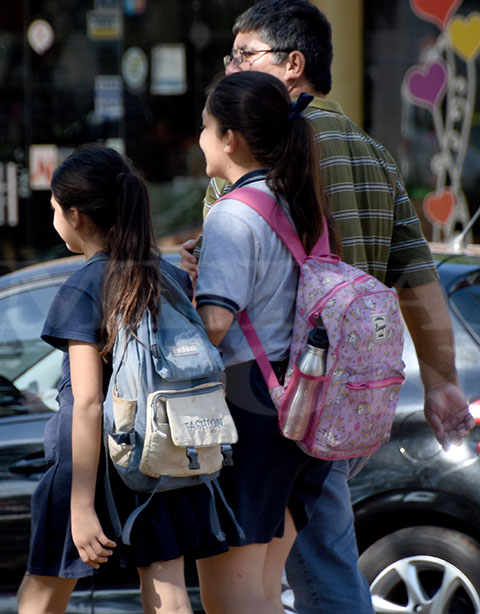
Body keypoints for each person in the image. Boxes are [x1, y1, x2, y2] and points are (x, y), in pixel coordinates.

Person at [180, 2, 474, 612]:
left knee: (299, 576)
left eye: (243, 56)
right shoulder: (372, 152)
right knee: (311, 566)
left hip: (280, 398)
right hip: (348, 395)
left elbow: (229, 299)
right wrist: (441, 381)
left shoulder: (256, 153)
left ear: (293, 65)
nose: (231, 68)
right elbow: (416, 275)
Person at [17, 146, 229, 614]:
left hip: (89, 464)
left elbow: (88, 404)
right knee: (169, 597)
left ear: (75, 215)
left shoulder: (83, 287)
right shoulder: (168, 276)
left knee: (42, 597)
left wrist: (80, 505)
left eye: (53, 208)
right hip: (160, 453)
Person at [192, 70, 334, 614]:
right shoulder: (299, 203)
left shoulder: (231, 214)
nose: (200, 138)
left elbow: (214, 327)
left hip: (248, 405)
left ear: (229, 137)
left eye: (205, 127)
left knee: (230, 597)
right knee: (265, 590)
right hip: (301, 400)